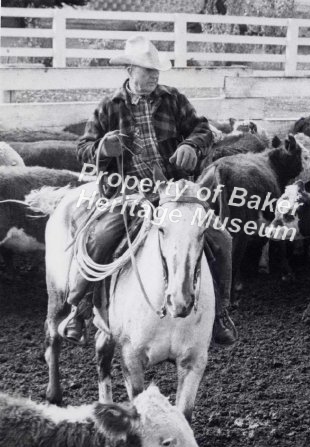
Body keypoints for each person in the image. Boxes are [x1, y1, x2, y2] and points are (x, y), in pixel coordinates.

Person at [58, 35, 237, 347]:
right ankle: (79, 308)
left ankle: (219, 313)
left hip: (175, 192)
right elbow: (82, 148)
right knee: (101, 238)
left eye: (157, 70)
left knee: (221, 239)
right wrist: (102, 148)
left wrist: (190, 144)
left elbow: (203, 129)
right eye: (147, 69)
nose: (155, 75)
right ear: (130, 70)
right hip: (129, 193)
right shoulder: (109, 107)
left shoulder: (173, 99)